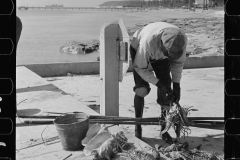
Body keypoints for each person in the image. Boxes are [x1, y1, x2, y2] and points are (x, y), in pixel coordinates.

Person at [130, 22, 188, 144]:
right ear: (162, 45)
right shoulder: (147, 43)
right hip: (139, 48)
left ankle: (163, 130)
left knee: (167, 93)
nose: (170, 56)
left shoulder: (181, 40)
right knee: (142, 90)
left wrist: (176, 86)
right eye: (168, 53)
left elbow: (177, 64)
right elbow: (140, 68)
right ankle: (138, 126)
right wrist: (158, 84)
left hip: (160, 56)